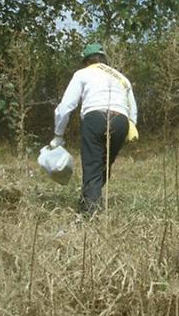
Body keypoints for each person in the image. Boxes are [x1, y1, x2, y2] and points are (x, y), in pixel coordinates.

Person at [50, 43, 138, 214]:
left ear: (86, 62)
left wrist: (58, 135)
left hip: (95, 118)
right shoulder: (122, 78)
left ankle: (90, 215)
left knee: (92, 165)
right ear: (104, 60)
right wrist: (128, 128)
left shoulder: (83, 73)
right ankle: (87, 201)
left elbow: (66, 107)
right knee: (104, 165)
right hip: (121, 121)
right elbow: (132, 111)